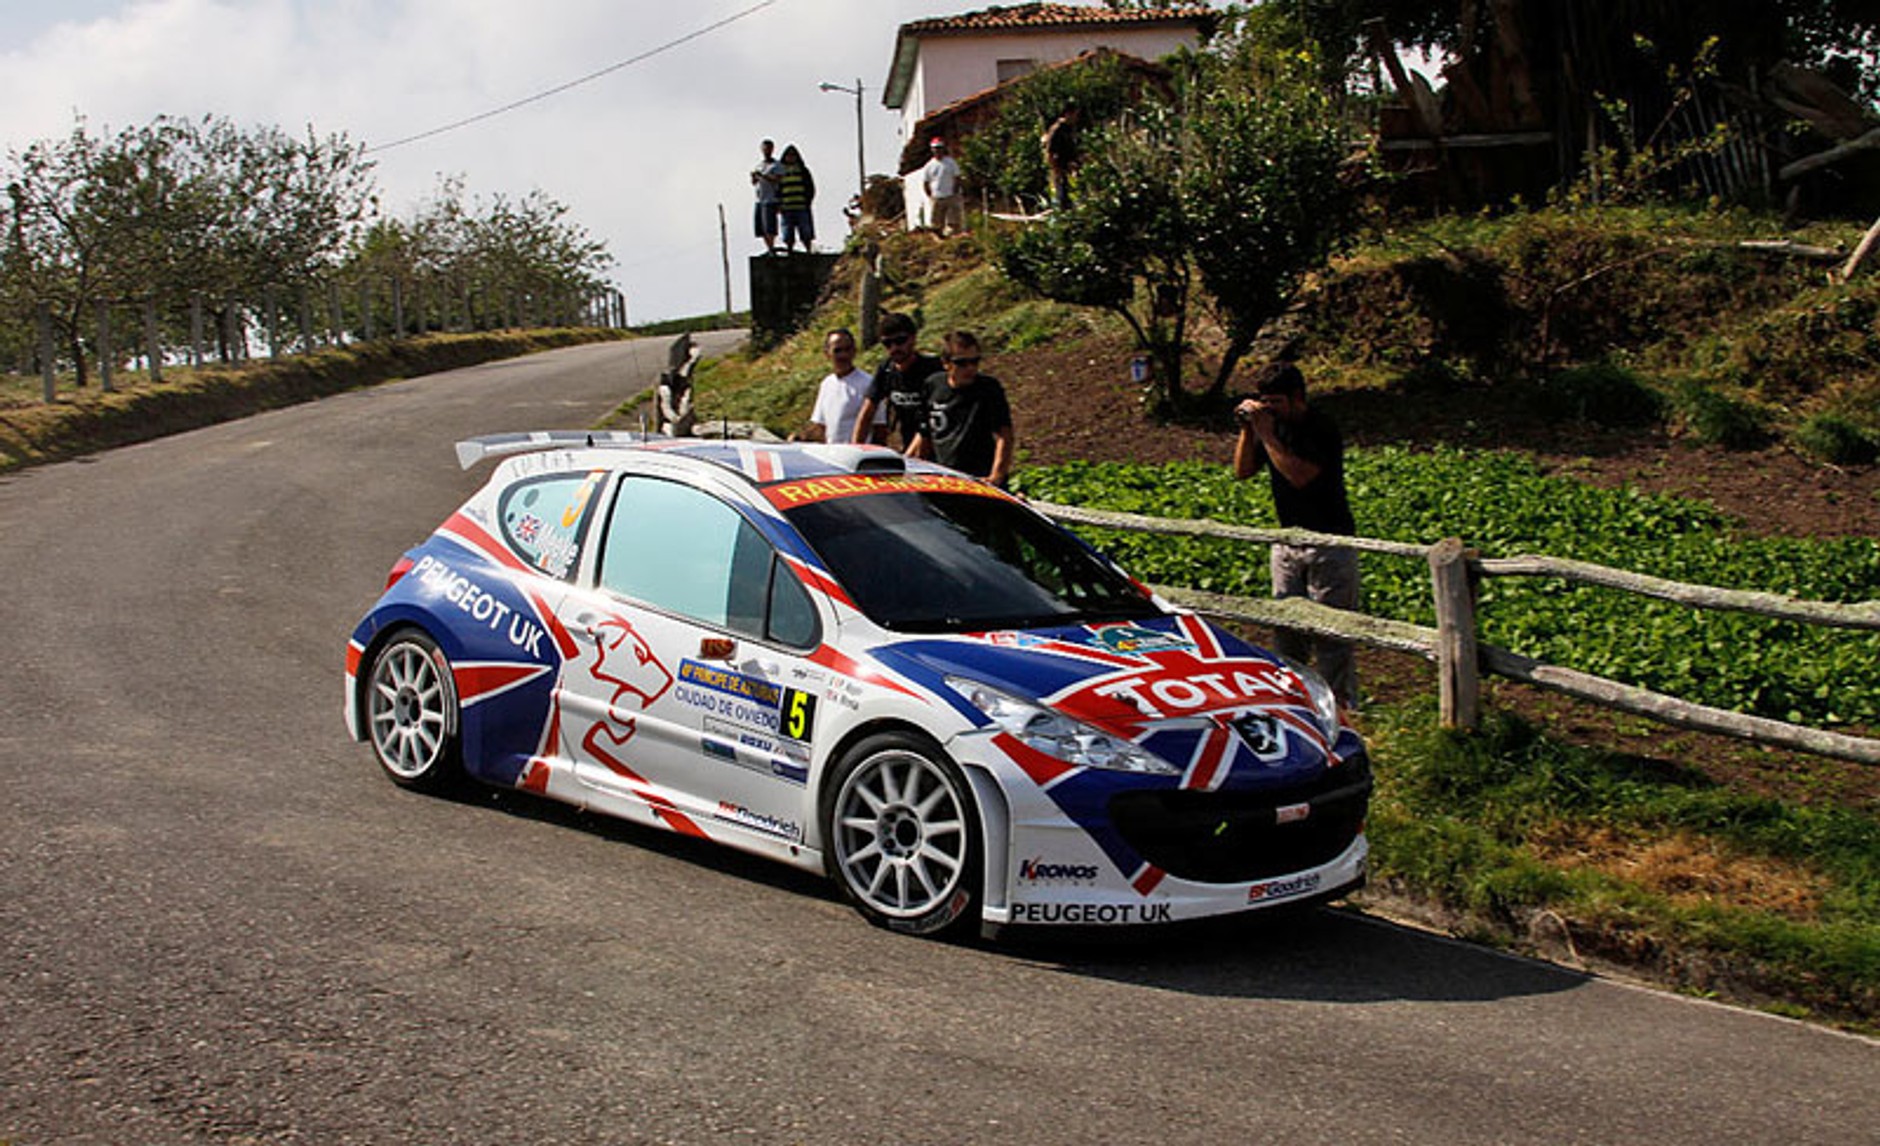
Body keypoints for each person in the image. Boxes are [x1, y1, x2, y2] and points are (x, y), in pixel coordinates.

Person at [1232, 362, 1360, 708]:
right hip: (1288, 539)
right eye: (1265, 402)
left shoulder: (1320, 428)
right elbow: (1243, 471)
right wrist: (1249, 431)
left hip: (1330, 542)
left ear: (1297, 398)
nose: (1269, 408)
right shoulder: (1270, 427)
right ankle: (1298, 701)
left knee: (1332, 633)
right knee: (1287, 629)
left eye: (1276, 402)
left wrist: (1268, 434)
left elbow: (1300, 476)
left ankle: (1341, 704)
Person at [910, 330, 1013, 488]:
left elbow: (1004, 435)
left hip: (979, 478)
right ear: (946, 363)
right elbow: (925, 434)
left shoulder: (988, 389)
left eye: (975, 361)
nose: (970, 368)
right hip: (943, 477)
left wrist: (996, 476)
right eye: (962, 363)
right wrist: (914, 468)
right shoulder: (932, 385)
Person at [850, 311, 942, 449]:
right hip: (909, 445)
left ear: (913, 338)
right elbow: (867, 412)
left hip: (937, 447)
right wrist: (855, 448)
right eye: (887, 343)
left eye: (900, 341)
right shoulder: (886, 370)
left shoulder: (933, 369)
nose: (894, 348)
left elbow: (931, 422)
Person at [798, 328, 885, 444]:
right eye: (837, 350)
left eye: (848, 349)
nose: (843, 355)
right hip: (833, 456)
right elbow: (820, 426)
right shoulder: (826, 384)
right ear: (827, 353)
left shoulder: (868, 383)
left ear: (854, 351)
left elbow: (880, 427)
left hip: (859, 457)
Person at [921, 138, 966, 237]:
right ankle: (939, 238)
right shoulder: (929, 166)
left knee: (953, 220)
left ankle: (953, 237)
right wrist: (930, 195)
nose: (937, 150)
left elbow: (957, 177)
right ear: (932, 150)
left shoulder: (951, 162)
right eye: (935, 148)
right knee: (936, 222)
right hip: (937, 196)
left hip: (950, 195)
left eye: (939, 148)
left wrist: (955, 191)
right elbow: (926, 182)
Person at [776, 144, 816, 253]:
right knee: (787, 231)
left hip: (801, 205)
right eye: (788, 156)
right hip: (786, 206)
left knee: (805, 230)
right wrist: (778, 203)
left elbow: (810, 188)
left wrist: (808, 201)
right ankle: (790, 250)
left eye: (793, 155)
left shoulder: (803, 170)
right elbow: (776, 188)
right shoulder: (780, 171)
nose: (791, 158)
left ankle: (808, 250)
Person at [750, 139, 783, 254]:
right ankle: (769, 248)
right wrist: (754, 178)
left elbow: (778, 180)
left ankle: (771, 248)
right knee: (761, 228)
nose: (766, 151)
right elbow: (754, 182)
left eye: (768, 149)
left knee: (770, 227)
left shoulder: (777, 165)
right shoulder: (759, 165)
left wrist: (763, 176)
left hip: (771, 199)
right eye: (764, 149)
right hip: (759, 199)